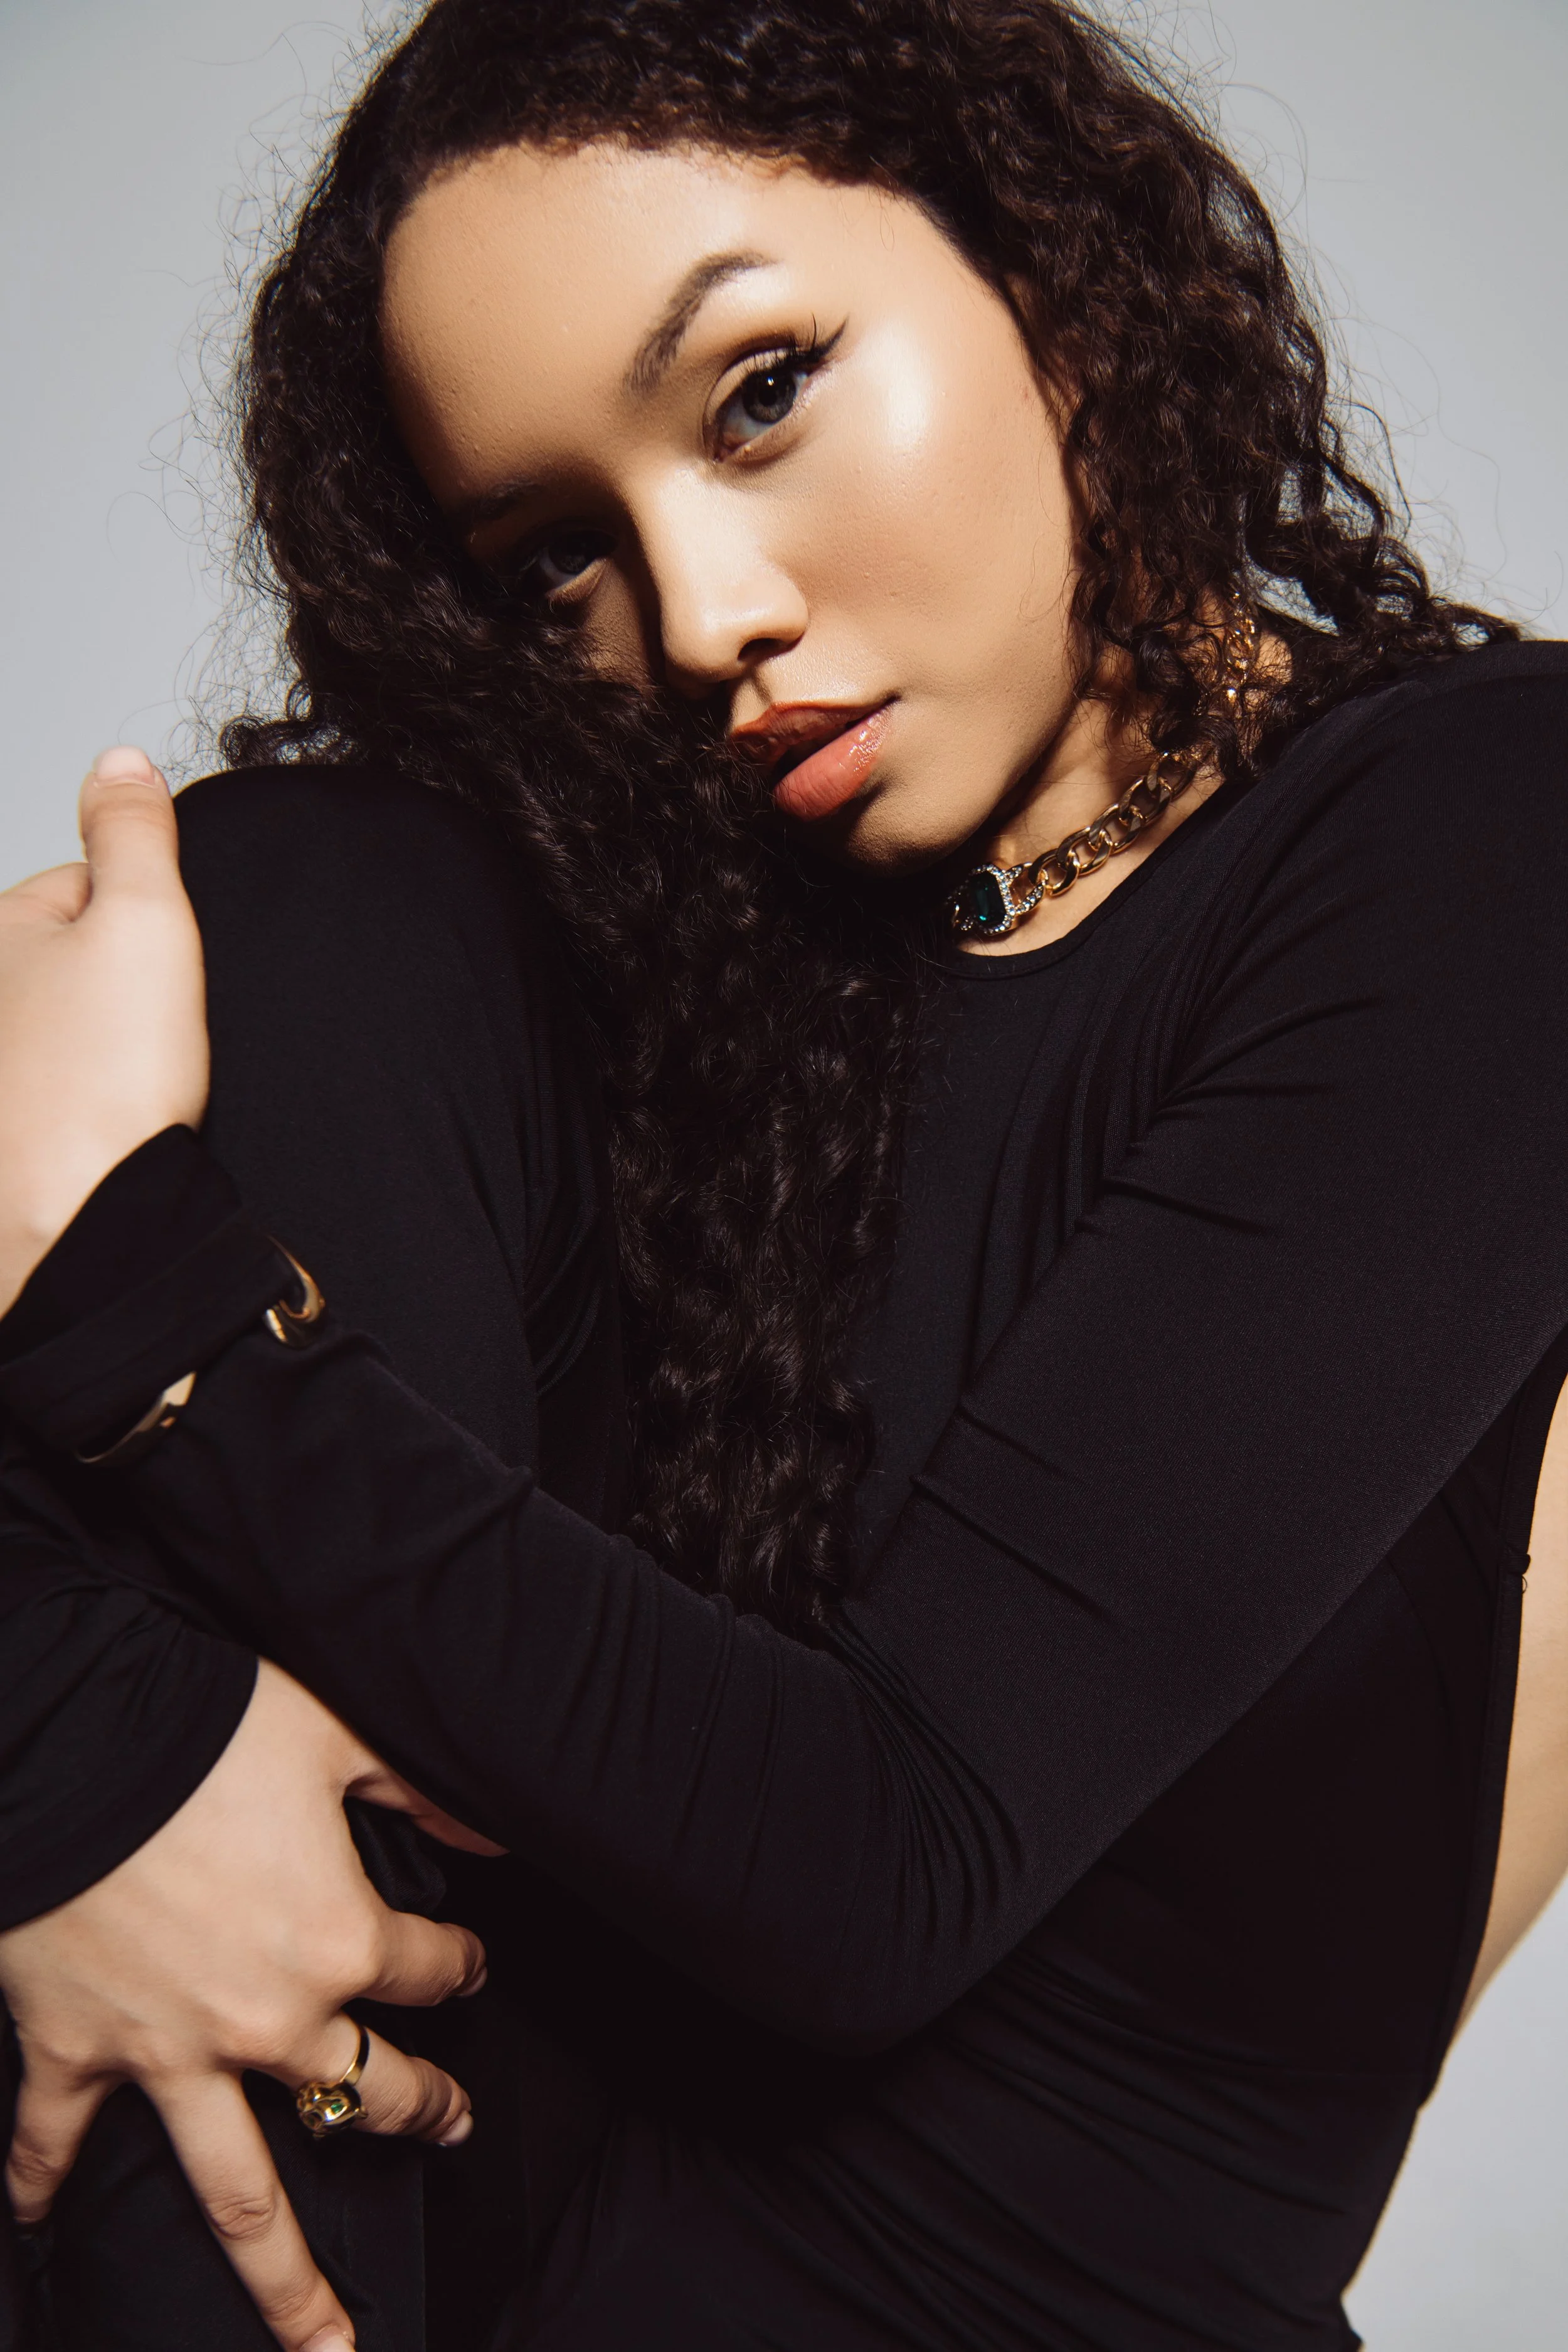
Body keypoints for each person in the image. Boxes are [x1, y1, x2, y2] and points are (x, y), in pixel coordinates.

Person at [2, 3, 1567, 2349]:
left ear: (1043, 260)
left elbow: (890, 1857)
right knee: (303, 887)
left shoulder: (1481, 837)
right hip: (444, 2238)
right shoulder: (662, 985)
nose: (708, 615)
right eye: (555, 562)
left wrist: (115, 1285)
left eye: (760, 395)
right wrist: (88, 1785)